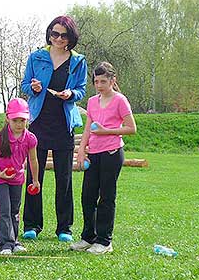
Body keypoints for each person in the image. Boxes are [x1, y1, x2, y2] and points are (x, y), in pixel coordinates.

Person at [21, 15, 88, 242]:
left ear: (71, 37)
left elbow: (81, 90)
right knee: (34, 174)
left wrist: (71, 94)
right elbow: (24, 85)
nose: (58, 38)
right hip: (39, 122)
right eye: (54, 33)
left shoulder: (78, 61)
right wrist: (34, 88)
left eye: (63, 35)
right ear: (49, 34)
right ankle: (31, 224)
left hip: (63, 124)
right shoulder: (36, 57)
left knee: (64, 178)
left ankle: (64, 228)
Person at [70, 62, 136, 254]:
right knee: (87, 196)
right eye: (96, 81)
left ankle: (105, 241)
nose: (99, 85)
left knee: (106, 197)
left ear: (112, 81)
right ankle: (88, 238)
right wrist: (81, 149)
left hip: (112, 153)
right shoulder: (92, 101)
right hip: (94, 154)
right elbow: (88, 125)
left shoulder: (120, 100)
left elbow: (132, 128)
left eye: (103, 81)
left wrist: (108, 131)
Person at [0, 98, 40, 255]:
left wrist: (35, 180)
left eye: (22, 120)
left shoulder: (30, 138)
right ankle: (4, 244)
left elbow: (33, 160)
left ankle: (14, 241)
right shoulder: (0, 138)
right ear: (7, 119)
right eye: (15, 120)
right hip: (0, 179)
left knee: (14, 211)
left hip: (17, 179)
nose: (19, 124)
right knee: (4, 210)